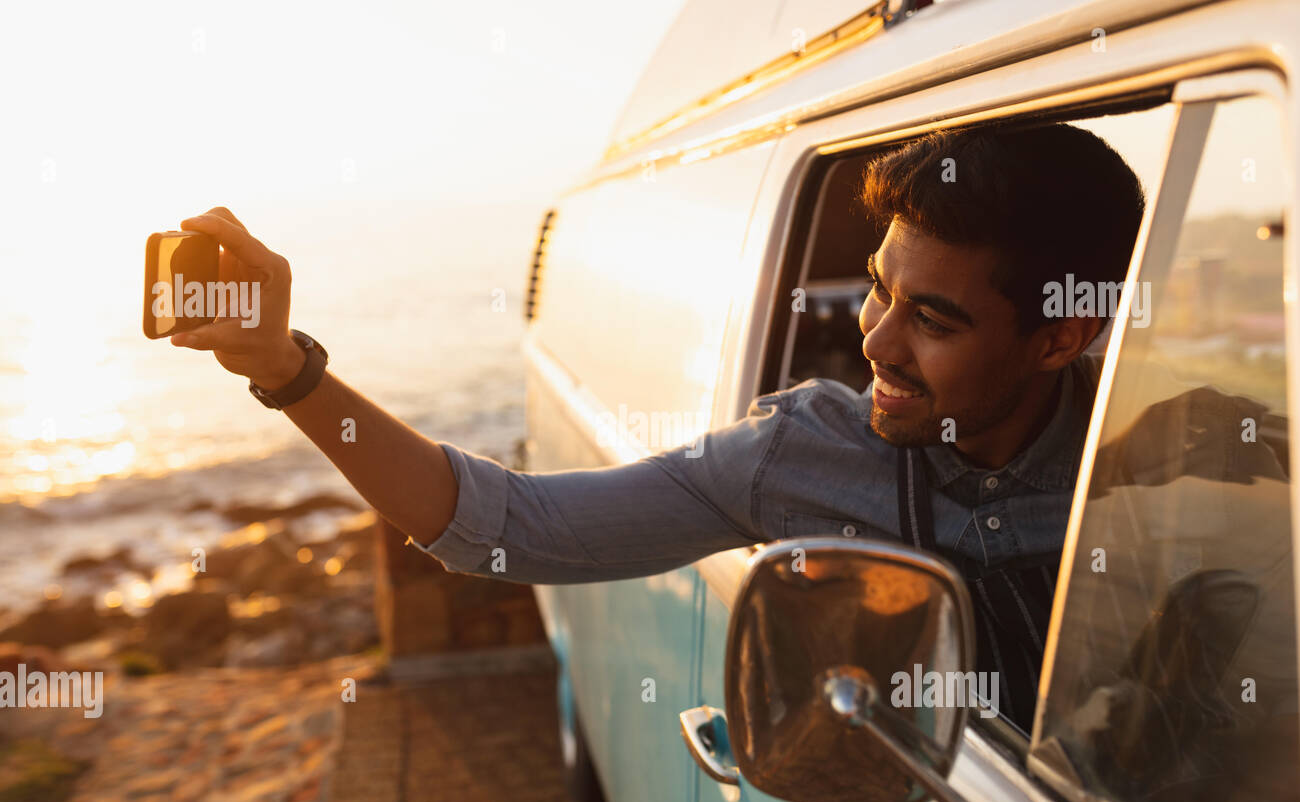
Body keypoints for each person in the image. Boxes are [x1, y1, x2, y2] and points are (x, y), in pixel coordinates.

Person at [170, 121, 1145, 733]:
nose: (876, 341)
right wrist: (288, 372)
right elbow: (504, 529)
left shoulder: (1156, 450)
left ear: (1062, 336)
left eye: (933, 320)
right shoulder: (799, 452)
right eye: (877, 292)